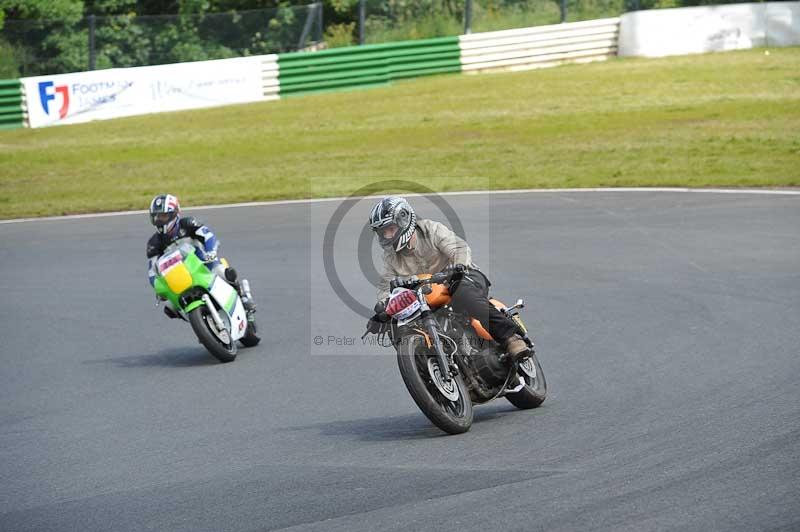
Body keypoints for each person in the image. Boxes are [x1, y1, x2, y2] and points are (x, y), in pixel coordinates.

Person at [366, 196, 529, 361]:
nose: (387, 235)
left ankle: (510, 338)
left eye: (391, 229)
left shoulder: (431, 230)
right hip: (427, 296)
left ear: (404, 219)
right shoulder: (390, 257)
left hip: (461, 277)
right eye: (383, 232)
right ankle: (424, 369)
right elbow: (385, 287)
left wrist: (458, 265)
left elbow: (459, 248)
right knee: (397, 325)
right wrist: (383, 309)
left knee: (461, 291)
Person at [146, 194, 255, 321]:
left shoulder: (188, 224)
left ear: (174, 214)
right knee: (170, 308)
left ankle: (243, 297)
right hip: (178, 277)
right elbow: (152, 272)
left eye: (163, 216)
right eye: (156, 217)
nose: (159, 220)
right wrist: (158, 287)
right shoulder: (153, 243)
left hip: (202, 263)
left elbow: (208, 236)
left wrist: (211, 252)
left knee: (223, 272)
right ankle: (200, 322)